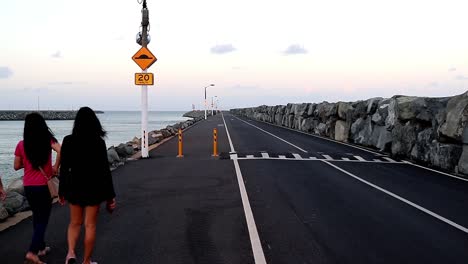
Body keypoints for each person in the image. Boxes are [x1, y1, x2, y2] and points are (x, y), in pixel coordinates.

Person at [59, 107, 116, 264]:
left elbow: (63, 169)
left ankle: (70, 253)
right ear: (94, 123)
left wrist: (61, 191)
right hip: (94, 188)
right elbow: (105, 171)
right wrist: (111, 197)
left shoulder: (68, 140)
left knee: (74, 223)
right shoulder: (98, 142)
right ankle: (86, 261)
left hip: (74, 187)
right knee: (90, 225)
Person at [14, 113, 61, 264]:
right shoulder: (48, 140)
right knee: (43, 219)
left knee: (37, 216)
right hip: (43, 186)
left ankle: (40, 248)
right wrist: (55, 166)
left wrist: (27, 164)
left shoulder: (21, 144)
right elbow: (61, 150)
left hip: (28, 186)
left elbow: (16, 166)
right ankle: (32, 252)